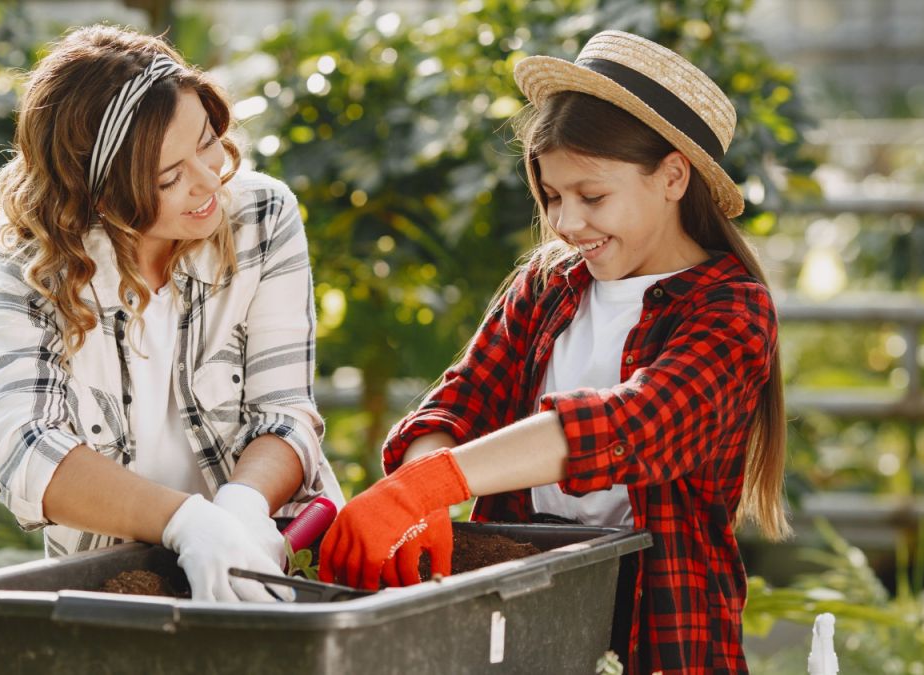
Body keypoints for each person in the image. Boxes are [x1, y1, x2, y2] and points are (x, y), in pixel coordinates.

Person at [318, 30, 789, 673]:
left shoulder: (731, 309)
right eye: (553, 196)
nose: (567, 223)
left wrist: (435, 482)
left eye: (592, 197)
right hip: (522, 622)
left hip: (667, 630)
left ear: (673, 176)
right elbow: (459, 403)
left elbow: (635, 423)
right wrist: (418, 485)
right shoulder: (548, 284)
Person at [0, 25, 342, 603]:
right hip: (123, 593)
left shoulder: (261, 217)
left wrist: (242, 510)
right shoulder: (36, 265)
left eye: (207, 141)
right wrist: (188, 524)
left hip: (269, 570)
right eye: (167, 177)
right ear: (99, 195)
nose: (208, 184)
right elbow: (23, 449)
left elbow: (284, 412)